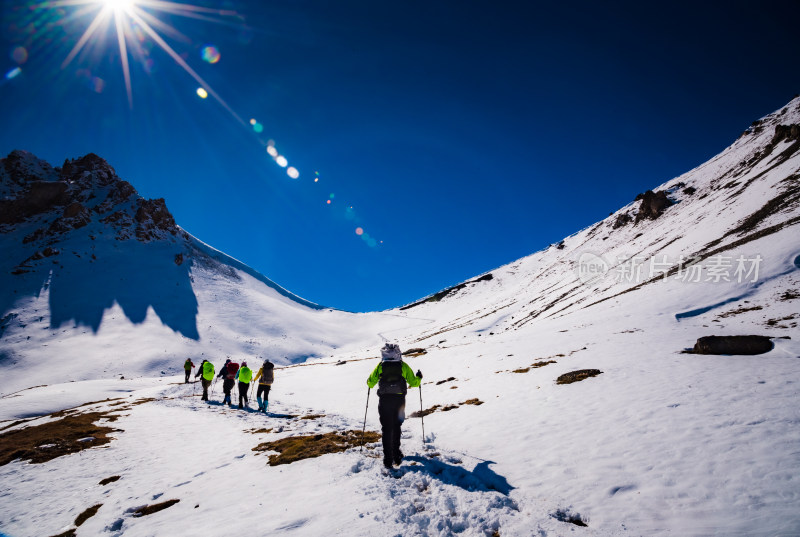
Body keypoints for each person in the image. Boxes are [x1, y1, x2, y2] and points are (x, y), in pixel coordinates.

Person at [366, 343, 422, 469]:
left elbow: (370, 383)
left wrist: (369, 381)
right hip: (399, 400)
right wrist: (419, 377)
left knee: (386, 428)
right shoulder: (403, 366)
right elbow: (413, 382)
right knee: (397, 426)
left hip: (384, 400)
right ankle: (396, 454)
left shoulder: (381, 366)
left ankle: (387, 459)